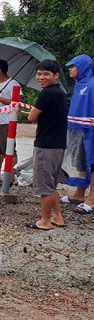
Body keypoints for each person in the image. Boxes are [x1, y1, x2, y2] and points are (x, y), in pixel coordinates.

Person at [26, 60, 67, 230]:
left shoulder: (47, 94)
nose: (41, 77)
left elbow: (31, 117)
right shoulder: (60, 93)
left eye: (46, 74)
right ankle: (58, 217)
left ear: (55, 76)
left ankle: (45, 221)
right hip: (57, 144)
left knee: (45, 186)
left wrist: (34, 112)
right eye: (39, 74)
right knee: (51, 183)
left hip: (47, 145)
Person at [62, 55, 94, 213]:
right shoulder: (78, 85)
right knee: (80, 162)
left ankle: (92, 198)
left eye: (73, 66)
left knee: (92, 163)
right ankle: (79, 194)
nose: (69, 69)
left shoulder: (91, 85)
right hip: (76, 129)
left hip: (90, 130)